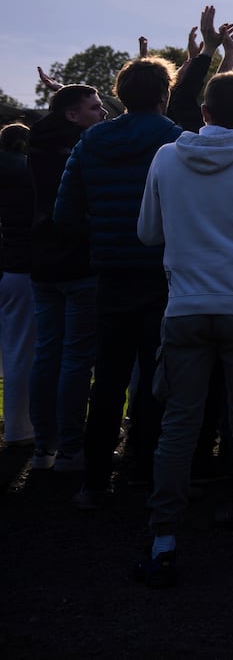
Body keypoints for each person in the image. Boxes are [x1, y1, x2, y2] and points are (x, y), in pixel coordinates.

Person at [134, 70, 233, 586]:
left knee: (179, 427)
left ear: (203, 113)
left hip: (184, 307)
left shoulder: (166, 157)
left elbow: (148, 233)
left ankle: (164, 541)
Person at [56, 39, 203, 507]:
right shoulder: (177, 141)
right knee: (159, 376)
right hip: (162, 273)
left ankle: (95, 479)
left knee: (109, 380)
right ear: (164, 94)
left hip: (111, 272)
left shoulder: (90, 141)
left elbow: (65, 213)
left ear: (120, 94)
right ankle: (144, 468)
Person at [24, 84, 106, 472]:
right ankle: (71, 448)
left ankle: (44, 447)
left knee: (47, 355)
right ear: (73, 116)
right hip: (78, 263)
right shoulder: (85, 151)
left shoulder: (34, 147)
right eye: (95, 107)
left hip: (42, 263)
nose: (102, 112)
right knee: (76, 358)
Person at [0, 123, 35, 449]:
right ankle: (20, 429)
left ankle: (14, 427)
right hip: (22, 268)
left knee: (12, 352)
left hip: (6, 267)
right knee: (24, 352)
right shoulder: (29, 174)